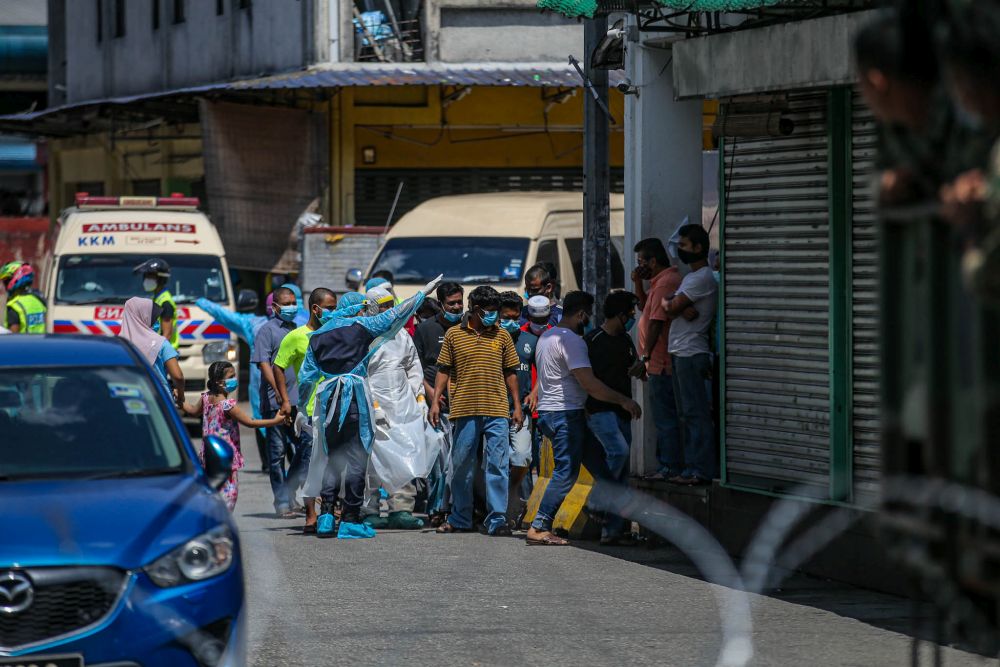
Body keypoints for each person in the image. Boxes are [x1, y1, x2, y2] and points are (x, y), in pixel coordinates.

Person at [297, 278, 440, 539]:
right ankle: (350, 519)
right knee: (356, 460)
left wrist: (300, 409)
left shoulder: (316, 336)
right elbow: (397, 314)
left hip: (327, 399)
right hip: (355, 398)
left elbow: (306, 378)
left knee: (331, 459)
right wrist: (421, 294)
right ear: (359, 309)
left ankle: (327, 517)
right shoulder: (362, 326)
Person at [527, 291, 642, 547]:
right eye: (587, 315)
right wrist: (624, 400)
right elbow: (591, 385)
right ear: (581, 314)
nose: (589, 320)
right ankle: (539, 526)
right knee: (566, 473)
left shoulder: (547, 337)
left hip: (561, 413)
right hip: (564, 416)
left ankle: (601, 509)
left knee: (601, 467)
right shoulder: (572, 341)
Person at [429, 286, 524, 536]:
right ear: (477, 310)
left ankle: (497, 520)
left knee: (498, 465)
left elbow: (510, 372)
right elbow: (443, 369)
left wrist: (516, 406)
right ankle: (460, 517)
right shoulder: (453, 335)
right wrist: (436, 401)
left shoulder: (502, 336)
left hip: (497, 410)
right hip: (464, 409)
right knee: (461, 465)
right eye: (490, 312)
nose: (494, 316)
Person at [273, 287, 338, 533]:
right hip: (310, 411)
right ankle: (310, 514)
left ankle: (329, 512)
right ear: (315, 308)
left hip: (334, 407)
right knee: (311, 464)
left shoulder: (335, 333)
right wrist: (285, 400)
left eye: (335, 308)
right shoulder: (296, 337)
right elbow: (278, 366)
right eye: (329, 307)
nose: (332, 312)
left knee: (333, 463)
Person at [361, 285, 427, 531]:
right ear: (373, 308)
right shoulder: (364, 335)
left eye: (392, 305)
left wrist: (418, 397)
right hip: (374, 404)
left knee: (404, 454)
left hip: (403, 404)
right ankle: (370, 509)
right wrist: (374, 405)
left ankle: (402, 508)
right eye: (385, 306)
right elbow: (360, 373)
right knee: (372, 459)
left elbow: (413, 366)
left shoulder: (402, 335)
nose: (391, 310)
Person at [182, 361, 285, 511]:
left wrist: (180, 401)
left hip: (208, 456)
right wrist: (275, 420)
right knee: (229, 494)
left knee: (212, 492)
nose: (235, 379)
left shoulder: (206, 398)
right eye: (231, 376)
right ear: (219, 382)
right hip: (225, 458)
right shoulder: (228, 405)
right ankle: (221, 521)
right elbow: (250, 422)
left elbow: (192, 410)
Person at [661, 224, 719, 485]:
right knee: (686, 413)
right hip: (681, 352)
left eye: (683, 245)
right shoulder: (691, 278)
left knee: (695, 413)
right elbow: (674, 304)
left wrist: (672, 304)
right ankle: (691, 467)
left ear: (698, 248)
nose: (679, 250)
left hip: (691, 352)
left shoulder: (701, 277)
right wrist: (675, 305)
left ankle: (700, 469)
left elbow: (669, 305)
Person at [584, 291, 641, 545]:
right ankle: (595, 502)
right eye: (629, 313)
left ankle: (612, 532)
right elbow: (586, 380)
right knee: (618, 452)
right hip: (599, 410)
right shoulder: (592, 340)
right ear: (619, 314)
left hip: (622, 412)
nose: (632, 318)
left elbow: (633, 367)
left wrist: (640, 370)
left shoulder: (626, 341)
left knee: (621, 474)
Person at [252, 287, 314, 518]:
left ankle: (289, 491)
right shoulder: (266, 331)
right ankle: (282, 502)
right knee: (277, 454)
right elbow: (265, 364)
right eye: (286, 303)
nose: (291, 307)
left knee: (304, 448)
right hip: (274, 402)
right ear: (275, 307)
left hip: (298, 400)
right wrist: (278, 391)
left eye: (293, 302)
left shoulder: (296, 330)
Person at [195, 294, 272, 473]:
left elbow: (224, 315)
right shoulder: (303, 321)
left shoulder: (253, 324)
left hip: (260, 384)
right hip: (289, 387)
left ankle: (269, 463)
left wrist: (200, 300)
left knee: (261, 415)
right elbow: (250, 423)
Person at [412, 280, 464, 524]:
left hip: (463, 406)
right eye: (451, 303)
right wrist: (432, 393)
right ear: (441, 305)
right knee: (437, 462)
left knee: (458, 462)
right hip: (434, 407)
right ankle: (435, 509)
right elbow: (414, 368)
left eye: (459, 303)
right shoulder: (425, 331)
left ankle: (455, 509)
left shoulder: (467, 327)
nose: (456, 307)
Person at [632, 238, 684, 480]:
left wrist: (645, 356)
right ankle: (667, 464)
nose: (640, 266)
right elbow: (645, 307)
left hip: (660, 362)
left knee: (665, 417)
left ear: (653, 261)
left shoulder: (665, 284)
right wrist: (637, 283)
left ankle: (670, 466)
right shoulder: (658, 283)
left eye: (642, 261)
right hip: (655, 362)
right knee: (662, 416)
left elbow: (656, 323)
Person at [499, 290, 536, 523]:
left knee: (522, 457)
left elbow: (543, 371)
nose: (511, 322)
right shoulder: (490, 340)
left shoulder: (530, 341)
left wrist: (534, 392)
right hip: (494, 411)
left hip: (521, 411)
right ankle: (502, 509)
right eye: (506, 317)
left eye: (515, 317)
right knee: (496, 462)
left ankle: (511, 495)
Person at [118, 296, 184, 407]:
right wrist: (181, 396)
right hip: (159, 401)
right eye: (154, 317)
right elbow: (178, 376)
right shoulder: (161, 344)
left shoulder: (119, 345)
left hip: (129, 401)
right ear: (143, 317)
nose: (157, 321)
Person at [133, 258, 178, 347]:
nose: (146, 280)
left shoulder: (165, 302)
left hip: (165, 356)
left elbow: (167, 334)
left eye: (150, 276)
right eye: (145, 276)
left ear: (161, 279)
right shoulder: (157, 298)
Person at [0, 262, 46, 334]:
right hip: (41, 344)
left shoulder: (14, 306)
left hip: (23, 345)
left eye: (6, 281)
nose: (5, 286)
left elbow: (12, 338)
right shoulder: (39, 300)